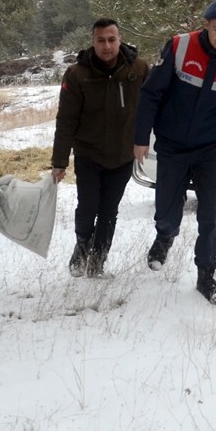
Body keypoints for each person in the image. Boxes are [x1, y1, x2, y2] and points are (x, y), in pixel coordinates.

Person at [132, 0, 216, 305]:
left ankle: (206, 275)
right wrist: (141, 137)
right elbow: (151, 94)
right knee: (166, 211)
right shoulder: (179, 47)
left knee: (210, 216)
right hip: (172, 146)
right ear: (206, 25)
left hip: (210, 149)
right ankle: (165, 235)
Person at [51, 18, 149, 277]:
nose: (107, 46)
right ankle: (82, 245)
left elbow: (151, 109)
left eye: (111, 39)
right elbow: (66, 120)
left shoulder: (137, 69)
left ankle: (98, 263)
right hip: (88, 154)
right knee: (87, 208)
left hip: (122, 155)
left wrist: (144, 141)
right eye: (101, 40)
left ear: (120, 39)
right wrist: (60, 161)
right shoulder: (77, 74)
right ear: (92, 42)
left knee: (108, 212)